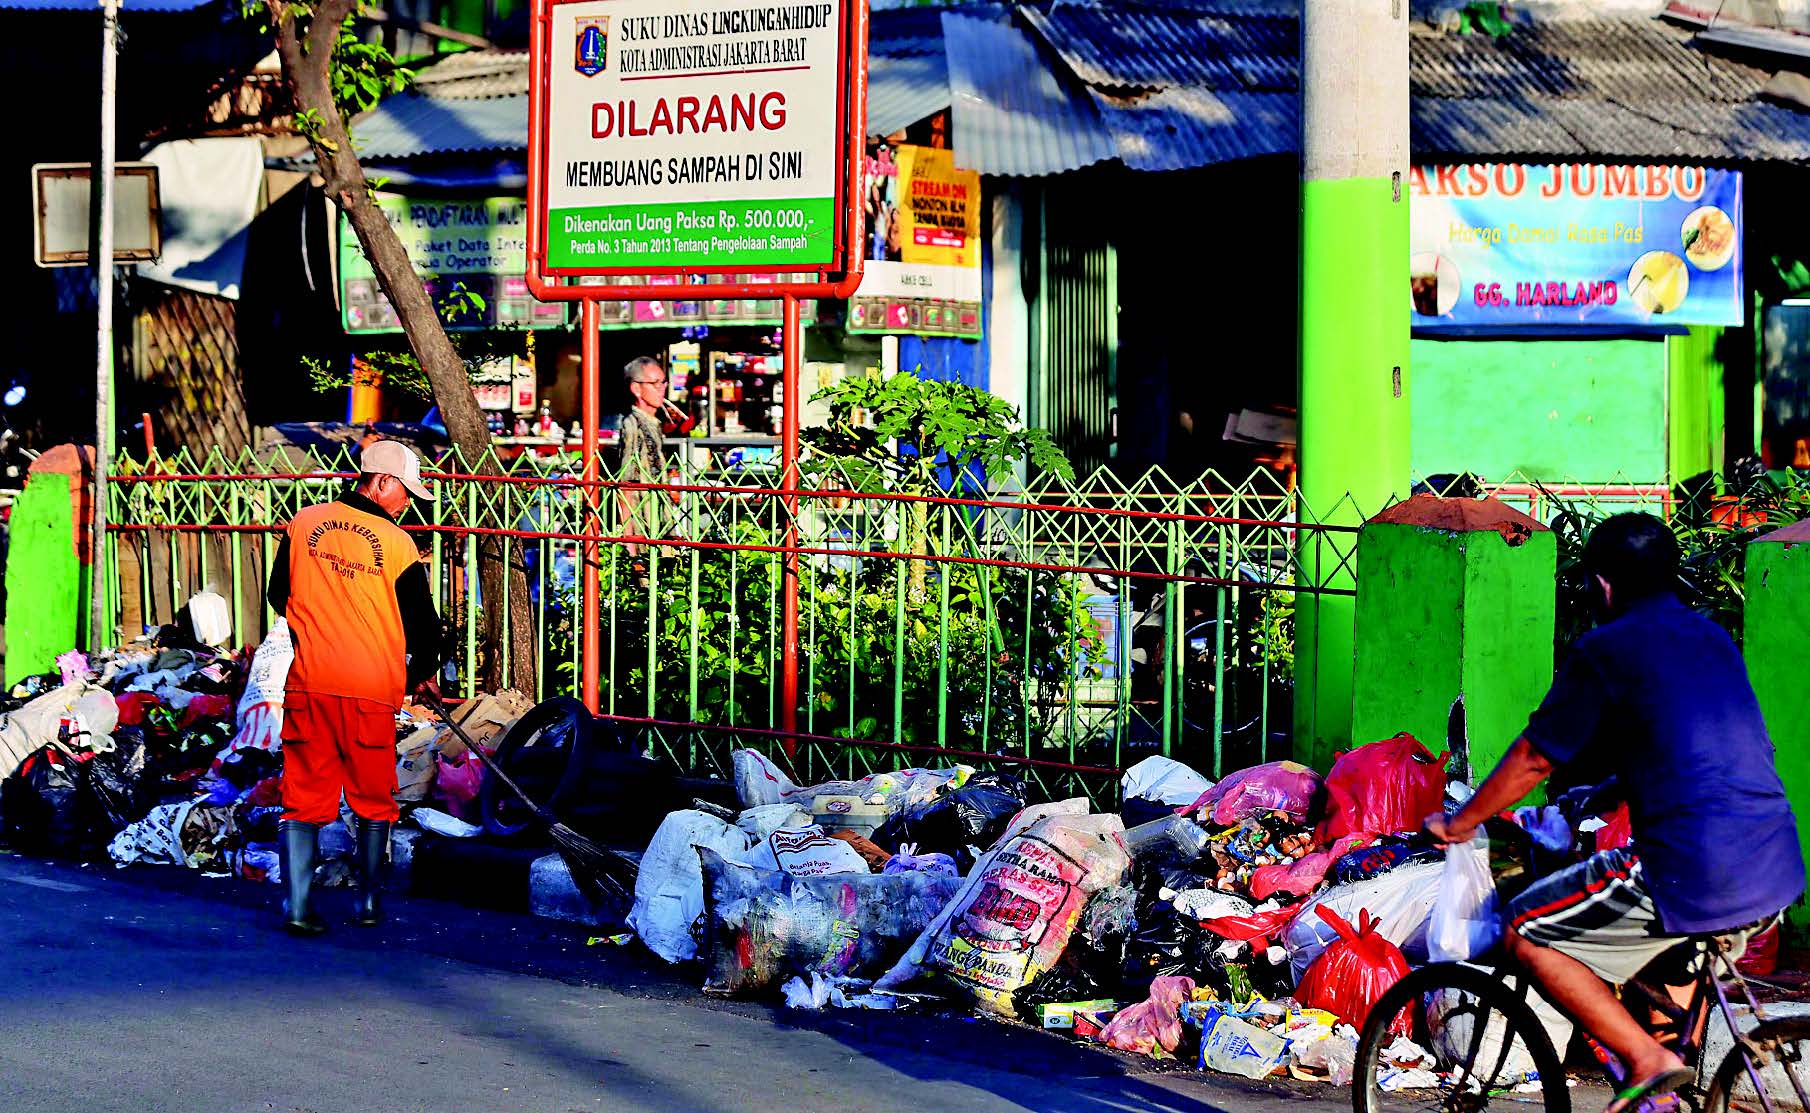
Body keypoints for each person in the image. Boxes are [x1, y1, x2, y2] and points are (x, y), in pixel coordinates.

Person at [1425, 513, 1804, 1113]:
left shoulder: (1607, 648)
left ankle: (1648, 1062)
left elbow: (1535, 757)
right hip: (1774, 863)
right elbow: (1684, 745)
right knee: (1664, 971)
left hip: (1691, 869)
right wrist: (1603, 794)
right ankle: (1664, 1082)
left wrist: (1461, 821)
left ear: (1602, 585)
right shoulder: (1710, 638)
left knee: (1525, 930)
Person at [266, 439, 442, 935]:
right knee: (372, 797)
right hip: (370, 690)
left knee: (303, 797)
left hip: (310, 685)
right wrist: (421, 672)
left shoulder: (303, 524)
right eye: (406, 492)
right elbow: (424, 626)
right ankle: (366, 904)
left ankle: (298, 908)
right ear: (382, 481)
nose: (407, 503)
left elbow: (278, 594)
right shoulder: (397, 543)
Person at [618, 355, 681, 548]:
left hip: (660, 520)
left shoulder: (654, 423)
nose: (661, 389)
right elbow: (625, 483)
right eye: (655, 383)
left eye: (663, 383)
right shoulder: (633, 425)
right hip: (643, 525)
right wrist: (629, 541)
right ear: (636, 388)